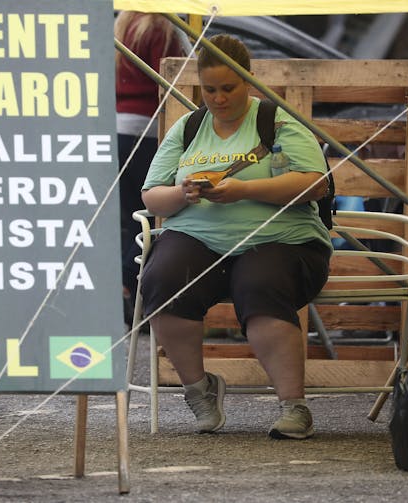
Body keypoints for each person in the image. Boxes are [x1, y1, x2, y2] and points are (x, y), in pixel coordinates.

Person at [139, 34, 332, 439]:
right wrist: (183, 193)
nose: (218, 98)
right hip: (198, 236)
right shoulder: (190, 126)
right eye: (210, 89)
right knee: (161, 279)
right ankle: (198, 389)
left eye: (228, 88)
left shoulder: (275, 120)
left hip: (282, 239)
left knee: (260, 283)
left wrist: (245, 190)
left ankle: (293, 406)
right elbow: (152, 196)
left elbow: (316, 184)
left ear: (248, 79)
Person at [114, 12, 187, 325]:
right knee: (153, 216)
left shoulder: (120, 24)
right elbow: (176, 79)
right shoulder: (160, 27)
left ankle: (123, 287)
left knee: (132, 219)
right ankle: (127, 283)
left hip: (116, 128)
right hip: (147, 130)